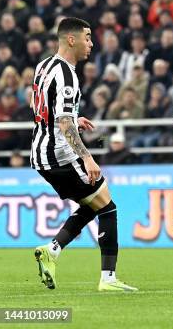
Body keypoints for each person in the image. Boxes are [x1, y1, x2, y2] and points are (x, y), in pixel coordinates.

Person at [30, 17, 136, 292]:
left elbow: (40, 106)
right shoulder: (67, 74)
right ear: (71, 39)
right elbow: (62, 123)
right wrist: (87, 157)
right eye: (87, 37)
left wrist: (74, 118)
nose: (91, 43)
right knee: (108, 208)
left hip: (41, 153)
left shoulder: (44, 66)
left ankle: (52, 250)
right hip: (61, 155)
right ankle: (108, 279)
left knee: (93, 204)